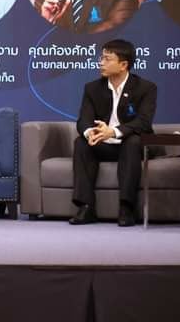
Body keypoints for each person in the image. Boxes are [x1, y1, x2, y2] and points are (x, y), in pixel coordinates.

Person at [68, 39, 156, 227]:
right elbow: (83, 119)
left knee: (132, 141)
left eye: (107, 59)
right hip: (104, 145)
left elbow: (143, 122)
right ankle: (85, 207)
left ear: (123, 65)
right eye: (102, 58)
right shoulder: (92, 88)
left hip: (131, 145)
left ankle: (126, 208)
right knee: (81, 143)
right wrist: (90, 132)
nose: (101, 63)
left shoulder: (145, 88)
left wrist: (114, 132)